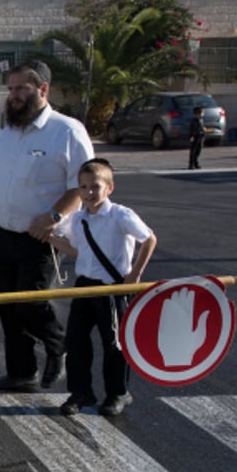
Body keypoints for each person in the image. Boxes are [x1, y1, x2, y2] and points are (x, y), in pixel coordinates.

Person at [0, 59, 94, 392]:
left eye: (22, 88)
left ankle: (58, 345)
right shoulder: (9, 131)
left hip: (41, 237)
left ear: (43, 90)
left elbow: (84, 185)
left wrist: (53, 217)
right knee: (3, 302)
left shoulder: (67, 131)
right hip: (5, 233)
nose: (14, 95)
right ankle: (22, 372)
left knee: (29, 303)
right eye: (11, 89)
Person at [48, 158, 157, 417]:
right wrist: (51, 238)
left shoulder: (120, 215)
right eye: (83, 187)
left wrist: (135, 274)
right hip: (84, 287)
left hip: (112, 287)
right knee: (76, 341)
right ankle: (81, 391)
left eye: (95, 186)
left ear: (109, 187)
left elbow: (149, 238)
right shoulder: (78, 219)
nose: (88, 193)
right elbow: (78, 251)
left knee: (114, 343)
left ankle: (118, 393)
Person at [188, 106, 205, 170]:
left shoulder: (201, 120)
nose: (203, 114)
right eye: (202, 113)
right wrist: (191, 136)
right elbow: (191, 129)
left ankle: (196, 163)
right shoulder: (193, 121)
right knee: (193, 151)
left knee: (198, 150)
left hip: (200, 136)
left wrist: (203, 131)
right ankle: (191, 164)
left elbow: (202, 127)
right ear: (197, 114)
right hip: (195, 136)